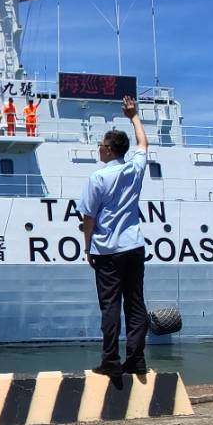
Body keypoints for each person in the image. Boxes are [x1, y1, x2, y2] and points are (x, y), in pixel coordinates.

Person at [78, 94, 151, 379]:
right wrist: (133, 115)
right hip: (134, 246)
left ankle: (110, 361)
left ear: (108, 150)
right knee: (136, 303)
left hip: (106, 250)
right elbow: (143, 144)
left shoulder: (97, 178)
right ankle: (137, 360)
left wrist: (87, 248)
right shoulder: (134, 169)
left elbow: (88, 217)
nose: (99, 149)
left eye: (101, 145)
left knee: (110, 307)